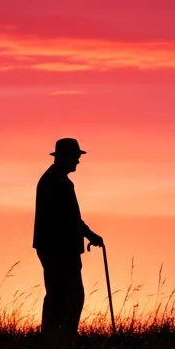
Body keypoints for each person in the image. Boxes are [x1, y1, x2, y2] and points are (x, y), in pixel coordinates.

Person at [33, 137, 104, 335]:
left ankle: (53, 336)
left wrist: (87, 234)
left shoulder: (51, 179)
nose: (78, 161)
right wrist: (90, 235)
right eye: (75, 157)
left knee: (56, 293)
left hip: (51, 246)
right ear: (65, 157)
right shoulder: (60, 183)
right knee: (72, 294)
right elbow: (70, 218)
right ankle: (65, 336)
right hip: (60, 248)